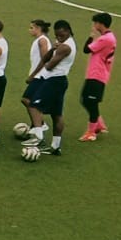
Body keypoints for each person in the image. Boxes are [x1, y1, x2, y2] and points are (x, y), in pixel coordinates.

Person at [23, 20, 78, 155]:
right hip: (59, 81)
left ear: (67, 31)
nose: (58, 37)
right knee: (56, 114)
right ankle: (55, 146)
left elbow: (49, 65)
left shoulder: (66, 47)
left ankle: (38, 136)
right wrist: (53, 49)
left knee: (34, 105)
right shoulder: (64, 44)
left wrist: (54, 53)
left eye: (60, 35)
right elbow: (47, 57)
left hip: (54, 81)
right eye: (56, 35)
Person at [79, 12, 117, 142]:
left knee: (90, 101)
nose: (94, 25)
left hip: (97, 74)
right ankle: (99, 125)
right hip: (96, 73)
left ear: (101, 24)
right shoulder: (109, 37)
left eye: (95, 23)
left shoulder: (104, 39)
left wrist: (91, 37)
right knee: (86, 100)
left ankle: (91, 132)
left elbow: (86, 49)